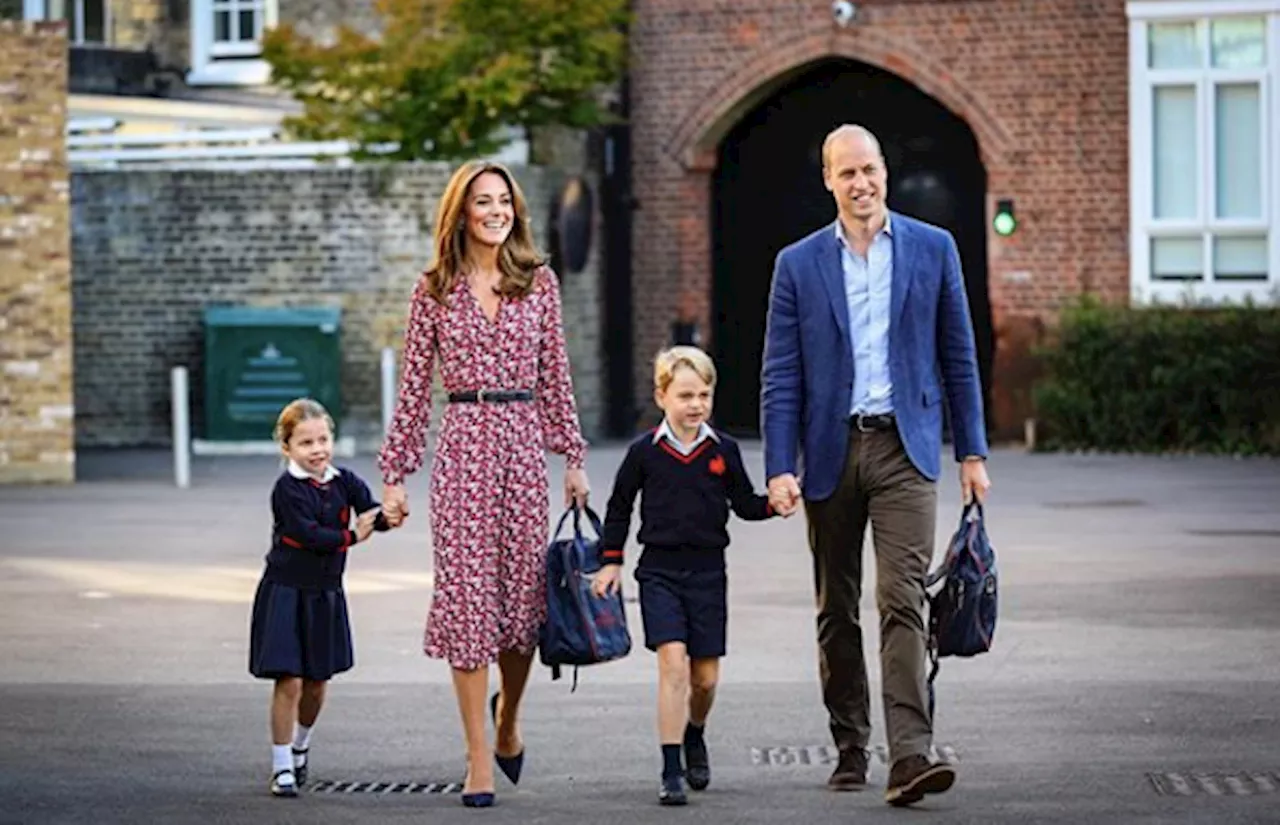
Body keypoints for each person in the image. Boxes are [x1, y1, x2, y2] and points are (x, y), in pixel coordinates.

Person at [760, 124, 992, 807]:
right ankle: (851, 741)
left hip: (905, 448)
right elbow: (781, 374)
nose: (861, 184)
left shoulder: (933, 247)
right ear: (828, 181)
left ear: (884, 172)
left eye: (870, 170)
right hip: (830, 452)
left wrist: (972, 451)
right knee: (837, 609)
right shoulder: (797, 264)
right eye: (847, 173)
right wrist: (779, 464)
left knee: (902, 599)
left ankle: (911, 754)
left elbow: (959, 354)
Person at [377, 160, 591, 808]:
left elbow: (556, 376)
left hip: (523, 444)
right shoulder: (433, 289)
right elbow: (414, 389)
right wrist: (394, 473)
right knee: (469, 603)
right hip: (464, 445)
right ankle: (477, 756)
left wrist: (573, 456)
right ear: (461, 214)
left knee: (523, 609)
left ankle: (508, 719)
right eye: (483, 202)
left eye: (504, 201)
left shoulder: (539, 283)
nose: (496, 211)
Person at [592, 346, 780, 806]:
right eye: (685, 395)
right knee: (672, 664)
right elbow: (618, 508)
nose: (696, 405)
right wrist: (611, 559)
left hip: (708, 573)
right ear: (661, 397)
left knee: (705, 679)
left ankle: (695, 732)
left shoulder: (723, 450)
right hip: (659, 571)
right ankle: (671, 766)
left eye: (704, 395)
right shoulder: (643, 453)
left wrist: (774, 503)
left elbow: (745, 504)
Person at [248, 398, 390, 797]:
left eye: (323, 439)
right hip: (286, 591)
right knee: (288, 679)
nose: (317, 450)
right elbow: (308, 536)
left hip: (325, 594)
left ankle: (300, 747)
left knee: (316, 683)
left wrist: (387, 516)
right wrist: (352, 537)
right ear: (287, 448)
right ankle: (280, 767)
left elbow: (370, 509)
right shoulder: (286, 490)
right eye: (306, 443)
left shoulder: (343, 480)